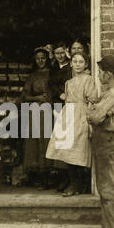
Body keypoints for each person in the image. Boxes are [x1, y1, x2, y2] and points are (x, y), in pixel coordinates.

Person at [86, 55, 114, 228]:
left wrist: (93, 110)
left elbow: (94, 117)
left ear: (108, 74)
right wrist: (96, 110)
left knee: (109, 188)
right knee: (104, 188)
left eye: (102, 71)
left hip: (109, 142)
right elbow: (97, 114)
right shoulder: (110, 93)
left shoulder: (113, 94)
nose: (100, 75)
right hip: (105, 142)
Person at [46, 52, 98, 196]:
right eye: (75, 62)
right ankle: (72, 183)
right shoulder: (68, 82)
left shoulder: (88, 80)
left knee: (79, 150)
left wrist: (88, 121)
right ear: (71, 64)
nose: (77, 65)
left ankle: (78, 185)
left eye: (81, 62)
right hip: (68, 115)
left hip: (81, 115)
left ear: (86, 64)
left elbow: (92, 100)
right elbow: (67, 99)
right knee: (67, 150)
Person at [18, 47, 53, 189]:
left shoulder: (52, 74)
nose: (40, 61)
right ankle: (36, 177)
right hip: (35, 111)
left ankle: (48, 177)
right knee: (34, 143)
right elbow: (24, 96)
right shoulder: (32, 76)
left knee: (46, 142)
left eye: (43, 58)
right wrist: (37, 97)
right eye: (37, 58)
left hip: (50, 111)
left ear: (47, 59)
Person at [48, 41, 71, 192]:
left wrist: (66, 95)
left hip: (68, 104)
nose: (60, 56)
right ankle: (60, 178)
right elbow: (51, 85)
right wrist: (58, 94)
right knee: (58, 141)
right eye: (57, 53)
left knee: (67, 141)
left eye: (62, 53)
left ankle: (68, 178)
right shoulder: (53, 69)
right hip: (57, 104)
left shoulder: (71, 68)